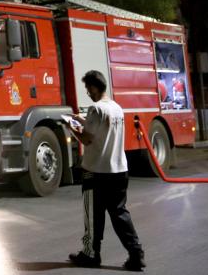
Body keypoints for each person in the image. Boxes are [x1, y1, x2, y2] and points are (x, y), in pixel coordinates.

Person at [67, 70, 146, 271]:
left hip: (96, 171)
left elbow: (87, 139)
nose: (87, 93)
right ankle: (136, 254)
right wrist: (82, 120)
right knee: (120, 213)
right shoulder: (116, 108)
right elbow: (102, 127)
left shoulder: (95, 109)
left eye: (88, 89)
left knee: (93, 216)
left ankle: (91, 254)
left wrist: (71, 127)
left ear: (94, 87)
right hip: (119, 170)